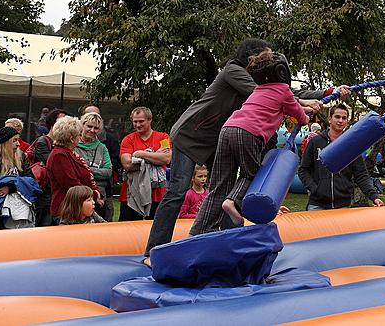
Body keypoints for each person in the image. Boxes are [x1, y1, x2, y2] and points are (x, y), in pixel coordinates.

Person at [144, 38, 337, 260]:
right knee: (177, 191)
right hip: (192, 134)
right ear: (252, 58)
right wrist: (302, 105)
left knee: (222, 188)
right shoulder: (232, 71)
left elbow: (283, 90)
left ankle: (218, 242)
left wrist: (324, 93)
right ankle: (153, 250)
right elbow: (270, 93)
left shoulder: (267, 82)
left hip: (219, 136)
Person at [191, 50, 311, 233]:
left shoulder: (258, 90)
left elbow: (280, 106)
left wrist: (306, 106)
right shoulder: (284, 90)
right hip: (249, 133)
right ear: (282, 71)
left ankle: (197, 232)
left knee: (218, 186)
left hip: (227, 130)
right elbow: (297, 113)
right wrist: (306, 117)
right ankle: (232, 202)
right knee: (251, 174)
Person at [298, 104, 384, 210]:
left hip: (343, 204)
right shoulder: (315, 142)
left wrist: (374, 197)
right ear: (330, 119)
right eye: (337, 117)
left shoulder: (352, 145)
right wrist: (314, 188)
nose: (340, 121)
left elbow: (361, 175)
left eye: (344, 118)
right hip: (317, 204)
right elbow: (303, 170)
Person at [46, 116, 101, 224]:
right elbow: (71, 185)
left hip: (77, 209)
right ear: (72, 138)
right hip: (68, 212)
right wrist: (94, 194)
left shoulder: (68, 152)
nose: (80, 137)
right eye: (79, 134)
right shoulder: (59, 155)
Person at [119, 107, 171, 221]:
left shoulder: (163, 137)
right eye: (135, 121)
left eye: (141, 121)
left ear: (150, 119)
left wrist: (140, 154)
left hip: (157, 194)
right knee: (128, 232)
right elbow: (127, 164)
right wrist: (155, 156)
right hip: (132, 194)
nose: (138, 125)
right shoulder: (128, 139)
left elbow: (166, 158)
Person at [26, 108, 70, 226]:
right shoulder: (43, 142)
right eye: (61, 121)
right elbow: (57, 166)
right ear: (52, 124)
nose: (65, 124)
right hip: (45, 195)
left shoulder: (67, 145)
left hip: (57, 195)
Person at [0, 126, 34, 230]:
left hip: (18, 211)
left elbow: (31, 181)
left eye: (18, 140)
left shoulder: (21, 157)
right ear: (5, 143)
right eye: (14, 141)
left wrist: (10, 188)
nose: (18, 144)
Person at [75, 112, 113, 221]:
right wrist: (96, 171)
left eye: (96, 128)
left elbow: (108, 172)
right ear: (82, 125)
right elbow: (75, 171)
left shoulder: (102, 147)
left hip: (99, 196)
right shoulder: (73, 145)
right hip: (79, 195)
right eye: (89, 126)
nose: (92, 130)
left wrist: (86, 168)